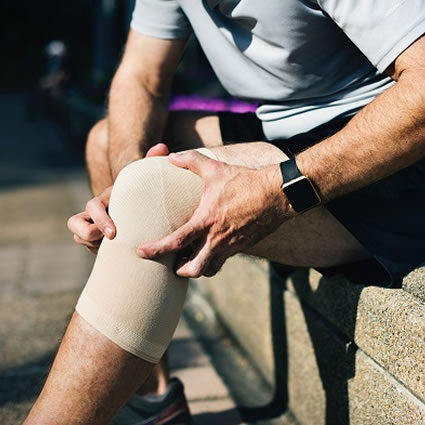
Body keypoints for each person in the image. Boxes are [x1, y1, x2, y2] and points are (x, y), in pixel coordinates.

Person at [24, 1, 425, 424]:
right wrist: (124, 194)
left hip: (396, 150)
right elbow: (141, 78)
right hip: (291, 131)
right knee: (107, 142)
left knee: (156, 192)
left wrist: (278, 190)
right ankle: (154, 403)